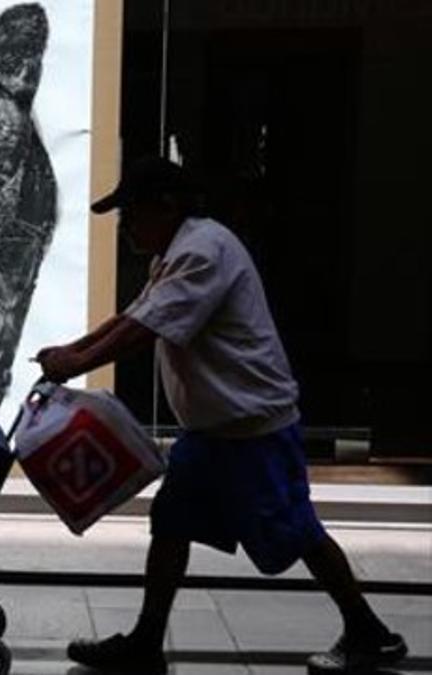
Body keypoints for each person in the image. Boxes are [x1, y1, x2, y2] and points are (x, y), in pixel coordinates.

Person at [36, 156, 407, 674]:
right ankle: (145, 643)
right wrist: (72, 351)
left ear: (166, 208)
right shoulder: (175, 254)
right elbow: (133, 316)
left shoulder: (204, 251)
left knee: (297, 531)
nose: (126, 227)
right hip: (212, 432)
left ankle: (371, 633)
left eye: (133, 214)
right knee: (170, 524)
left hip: (251, 429)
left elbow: (145, 329)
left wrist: (76, 362)